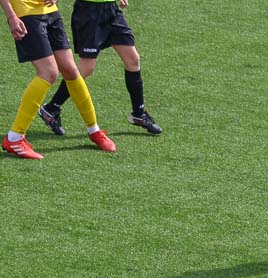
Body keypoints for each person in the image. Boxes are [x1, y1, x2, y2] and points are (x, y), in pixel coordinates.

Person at [1, 0, 116, 160]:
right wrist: (11, 16)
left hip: (50, 10)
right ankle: (14, 138)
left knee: (70, 70)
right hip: (25, 13)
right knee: (48, 72)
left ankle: (94, 130)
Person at [39, 0, 162, 136]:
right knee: (87, 67)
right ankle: (52, 108)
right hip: (88, 12)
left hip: (111, 11)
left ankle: (138, 114)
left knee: (133, 60)